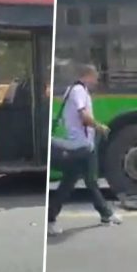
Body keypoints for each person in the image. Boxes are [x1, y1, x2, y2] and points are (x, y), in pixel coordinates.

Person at [47, 64, 121, 236]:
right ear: (88, 75)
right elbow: (83, 116)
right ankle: (51, 220)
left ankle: (106, 214)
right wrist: (99, 126)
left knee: (83, 181)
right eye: (95, 78)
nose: (96, 81)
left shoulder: (75, 90)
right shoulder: (78, 90)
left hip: (84, 144)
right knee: (80, 181)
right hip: (79, 145)